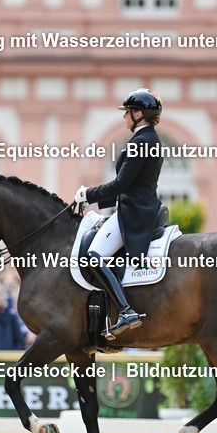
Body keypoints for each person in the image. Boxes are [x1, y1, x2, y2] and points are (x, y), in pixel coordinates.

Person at [74, 88, 164, 339]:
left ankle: (126, 311)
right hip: (139, 205)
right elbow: (133, 186)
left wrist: (87, 193)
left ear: (138, 114)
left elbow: (121, 184)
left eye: (127, 112)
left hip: (134, 213)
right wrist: (95, 202)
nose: (124, 116)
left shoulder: (141, 142)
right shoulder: (151, 139)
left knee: (93, 257)